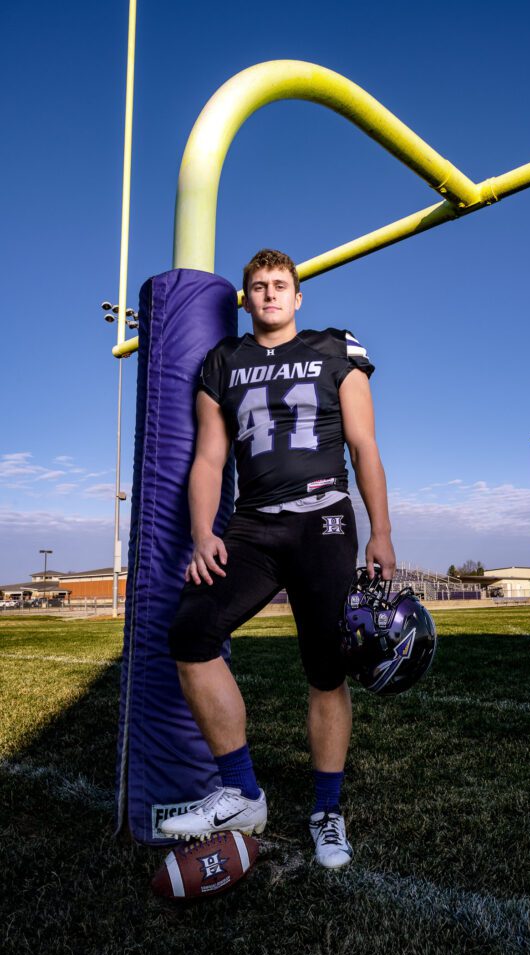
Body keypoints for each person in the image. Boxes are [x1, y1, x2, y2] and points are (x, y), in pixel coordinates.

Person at [164, 248, 395, 868]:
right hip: (253, 527)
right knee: (190, 632)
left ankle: (326, 809)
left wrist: (381, 532)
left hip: (323, 517)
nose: (269, 294)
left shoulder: (333, 348)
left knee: (326, 668)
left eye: (280, 286)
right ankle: (241, 792)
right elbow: (209, 459)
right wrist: (203, 533)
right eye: (258, 287)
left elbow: (364, 443)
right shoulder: (224, 362)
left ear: (298, 298)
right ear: (246, 300)